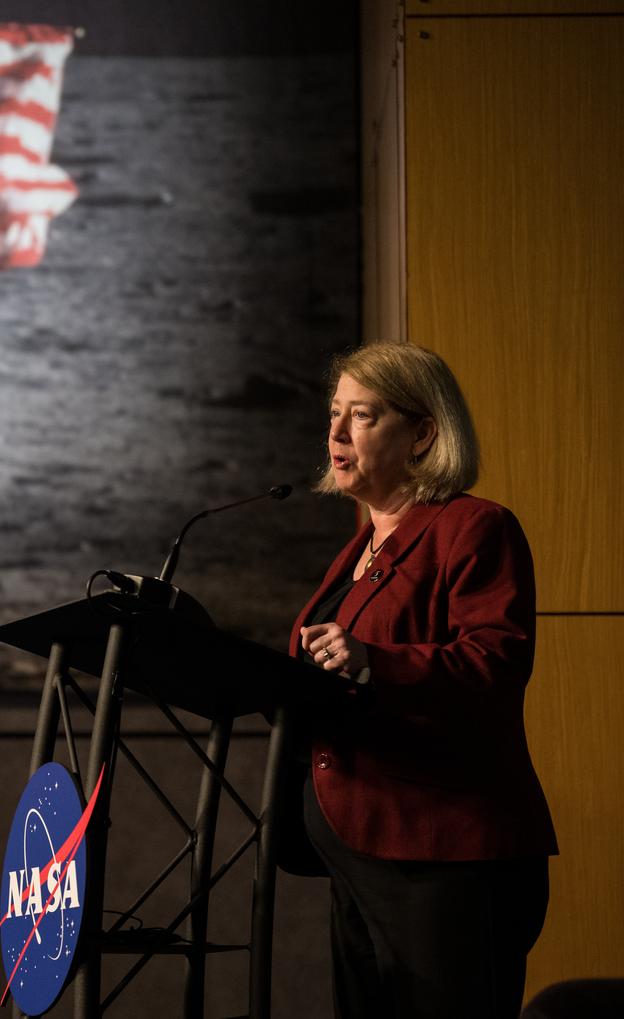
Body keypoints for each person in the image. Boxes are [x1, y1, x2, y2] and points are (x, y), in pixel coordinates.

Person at [288, 342, 557, 1019]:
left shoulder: (473, 528)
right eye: (334, 415)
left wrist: (375, 660)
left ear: (423, 433)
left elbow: (495, 661)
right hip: (360, 857)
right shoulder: (359, 548)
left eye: (363, 415)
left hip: (445, 859)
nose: (337, 434)